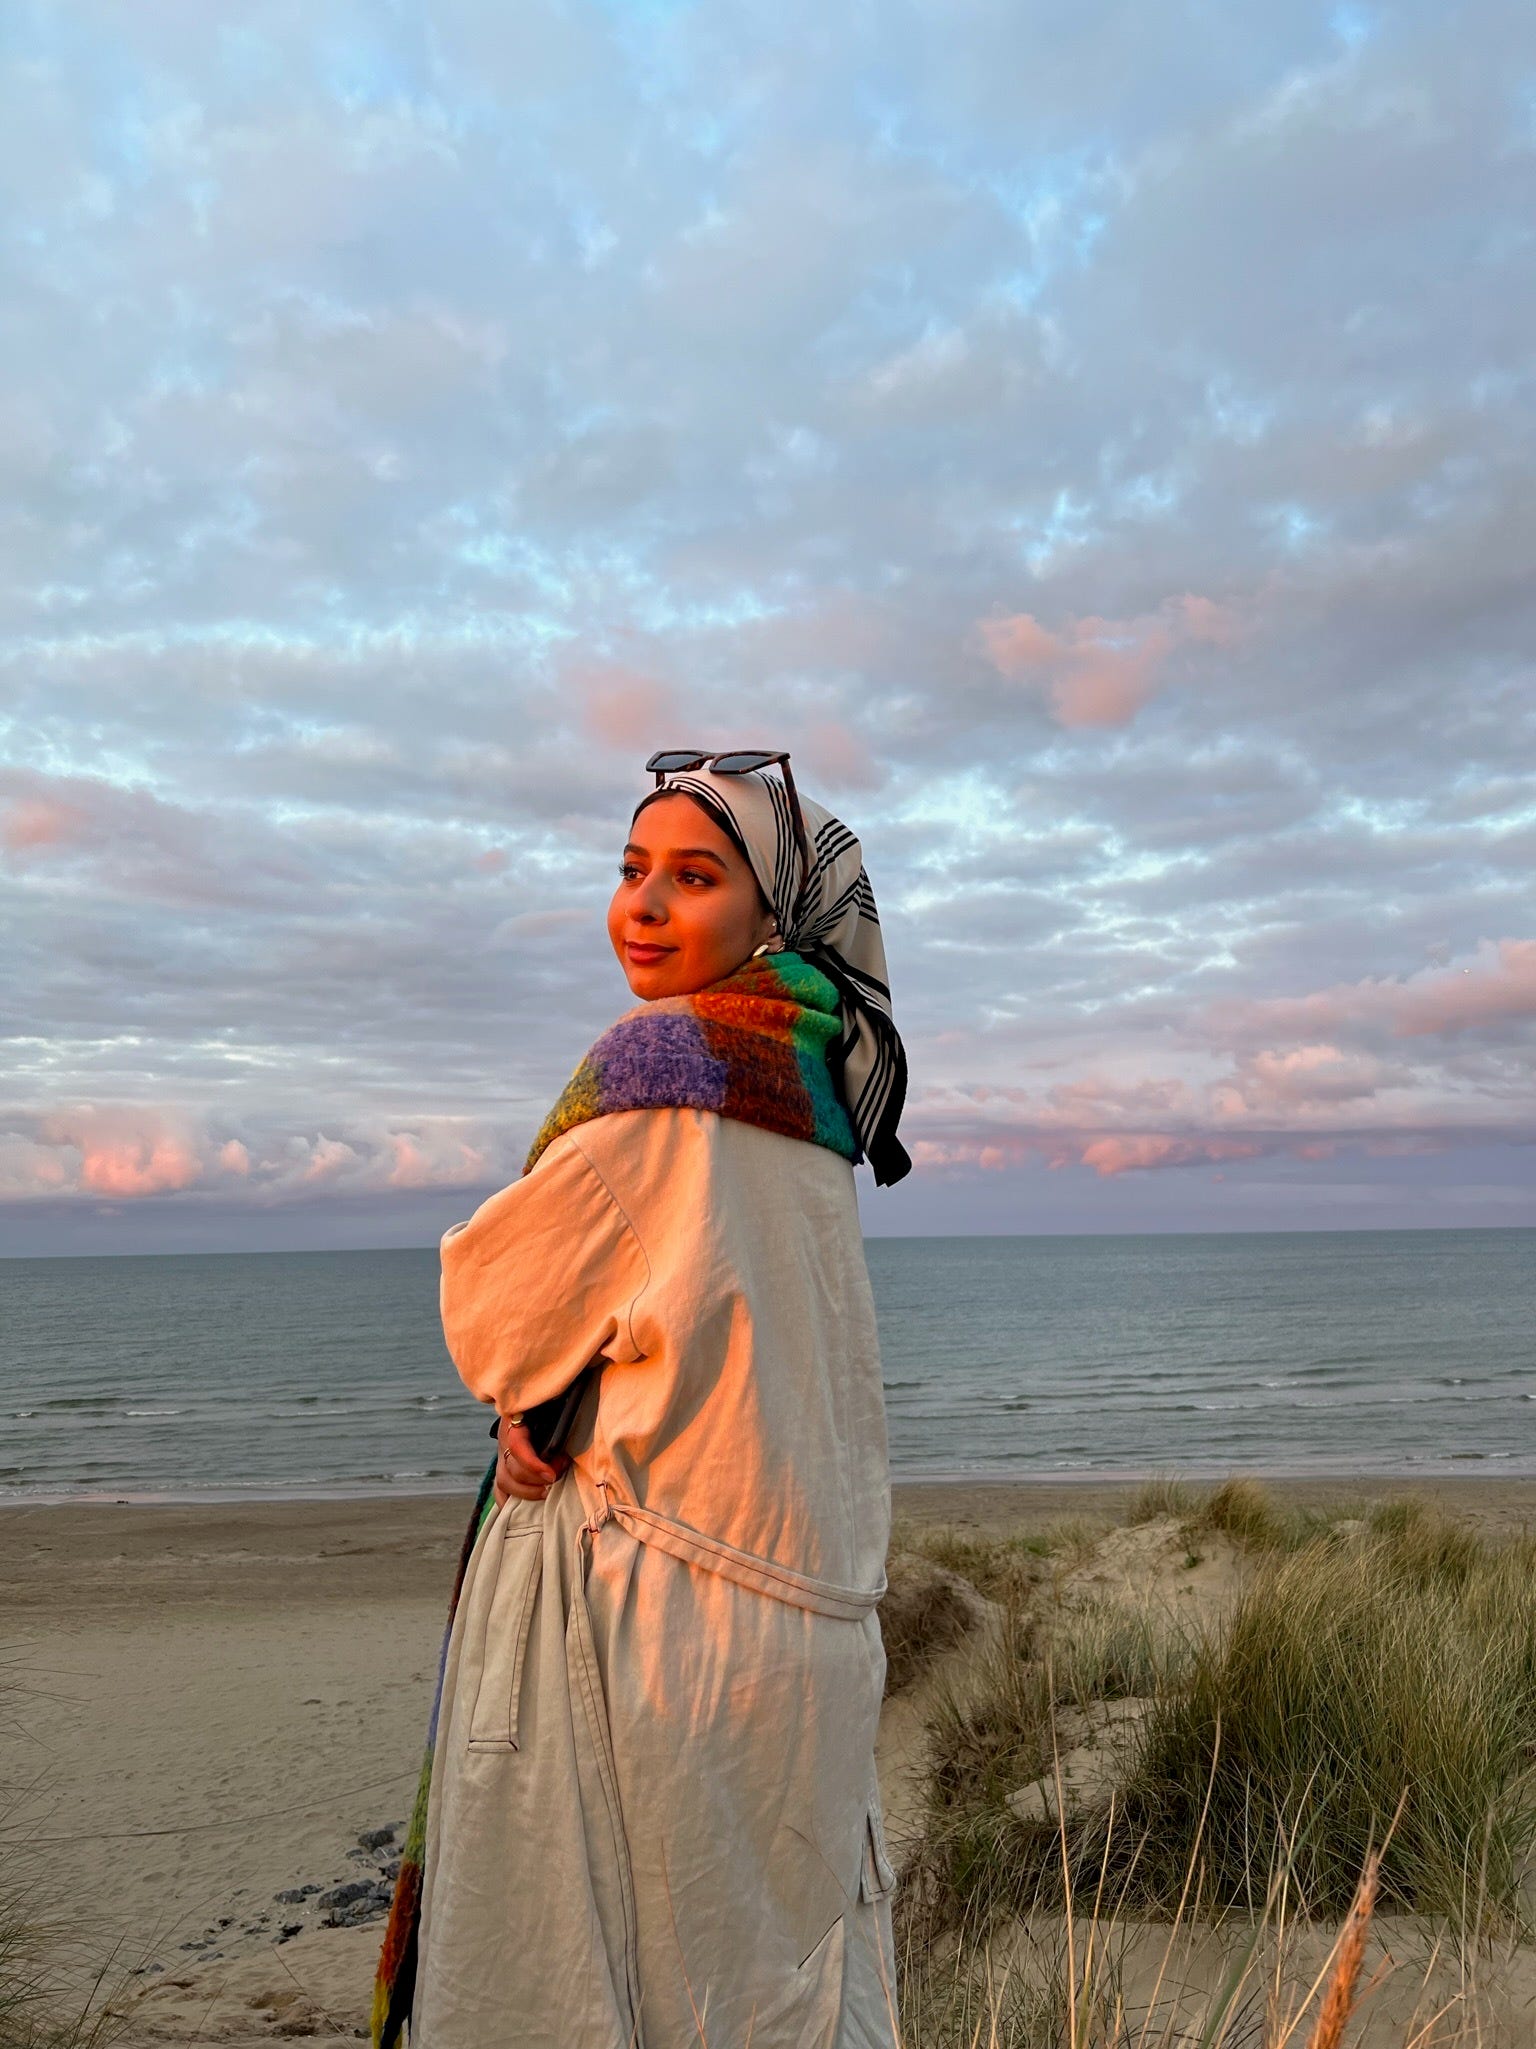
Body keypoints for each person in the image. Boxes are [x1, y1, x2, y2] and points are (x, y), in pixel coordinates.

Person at [376, 751, 911, 2049]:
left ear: (771, 915)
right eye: (631, 871)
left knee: (603, 1975)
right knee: (787, 1975)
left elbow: (496, 1312)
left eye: (695, 874)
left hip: (663, 1620)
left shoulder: (668, 1068)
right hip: (815, 1624)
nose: (646, 904)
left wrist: (530, 1404)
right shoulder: (820, 1087)